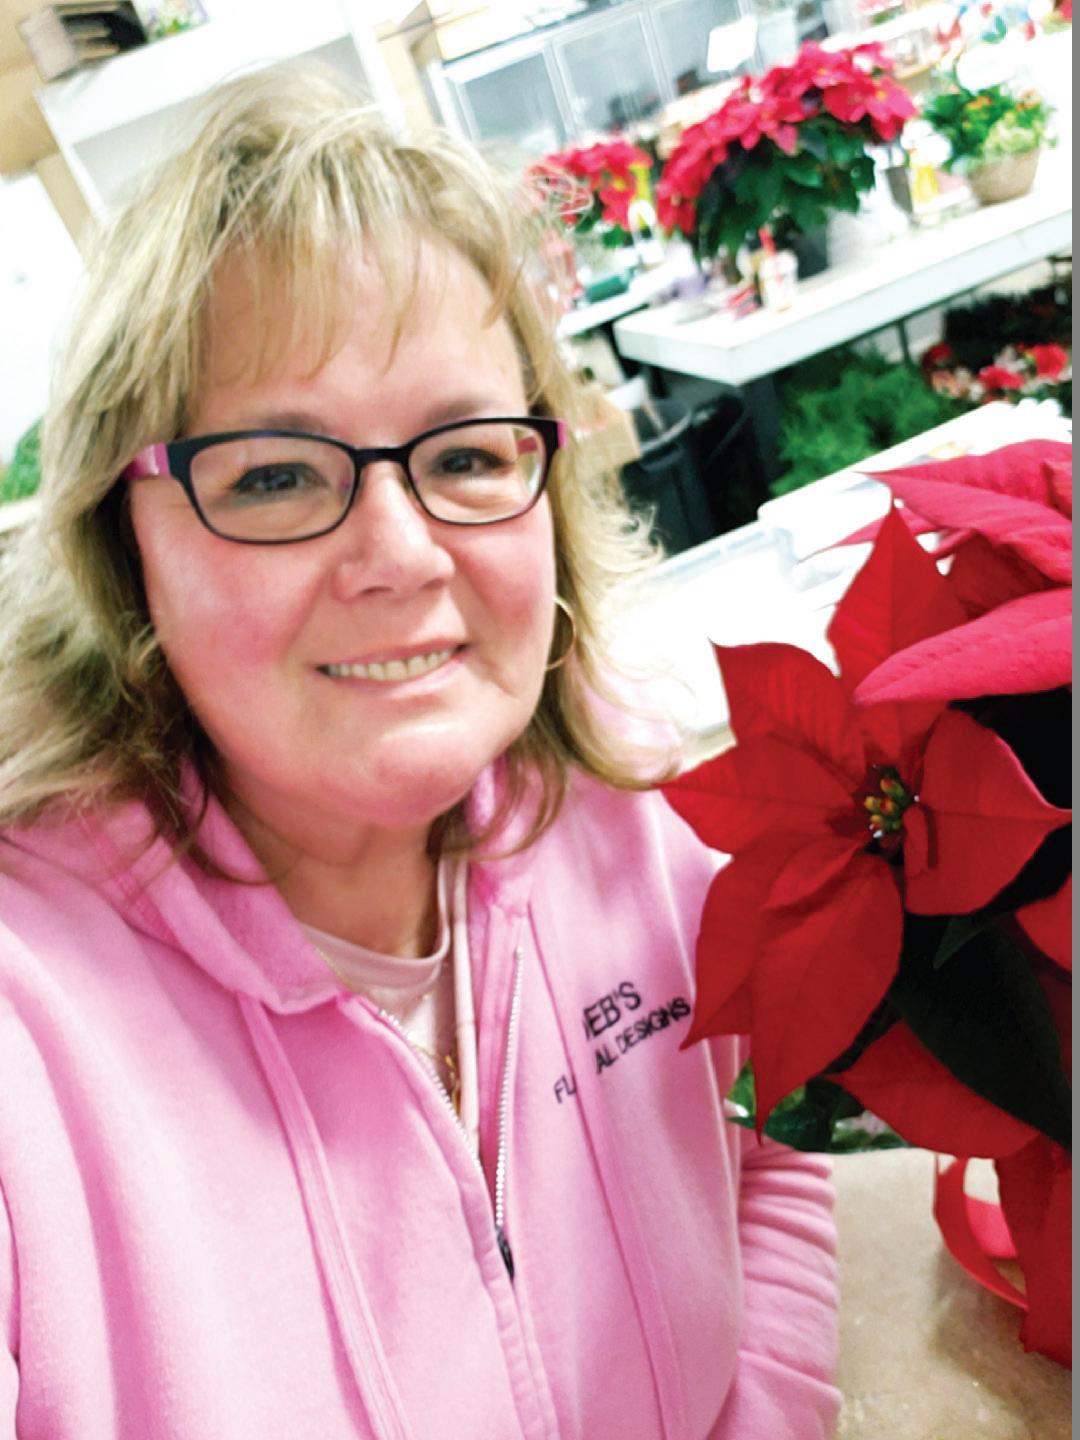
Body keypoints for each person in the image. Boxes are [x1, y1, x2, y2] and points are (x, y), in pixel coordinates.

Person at [0, 67, 840, 1440]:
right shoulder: (30, 1035)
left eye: (463, 456)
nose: (399, 553)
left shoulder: (627, 820)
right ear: (121, 546)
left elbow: (760, 1158)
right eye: (274, 475)